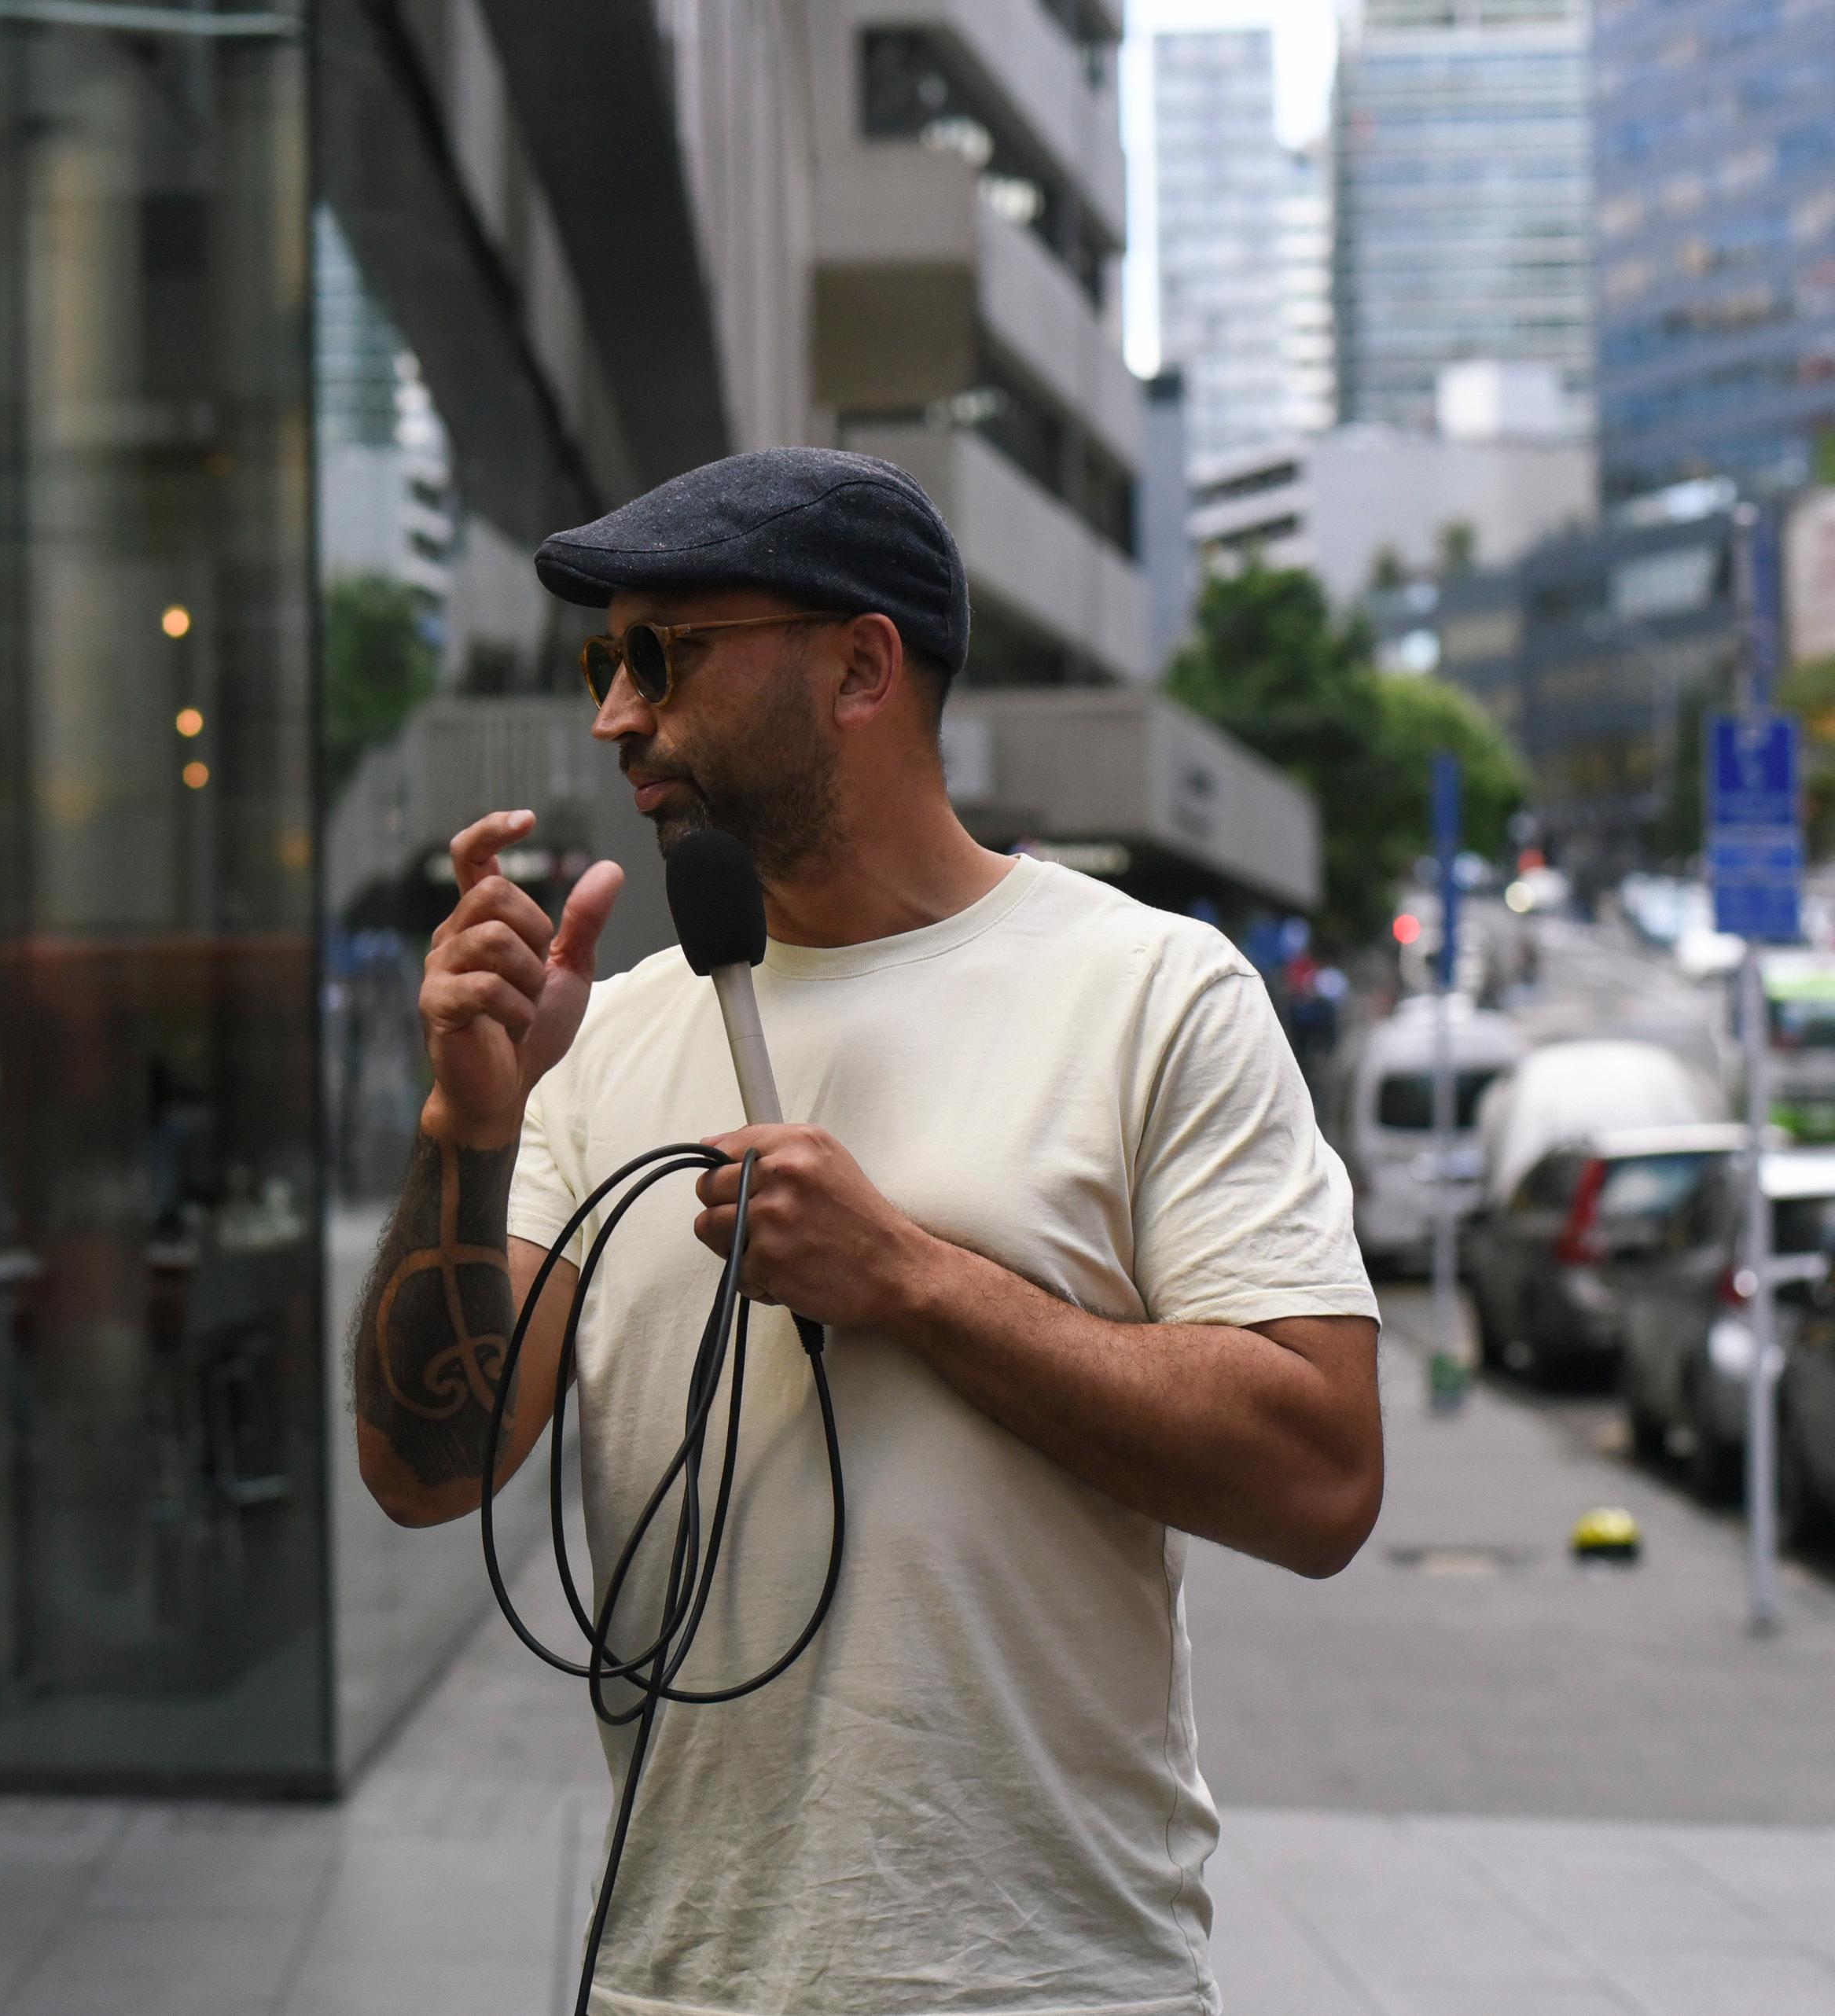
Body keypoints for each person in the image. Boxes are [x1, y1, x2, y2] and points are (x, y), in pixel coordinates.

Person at [348, 447, 1383, 2016]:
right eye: (601, 660)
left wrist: (910, 1280)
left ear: (861, 666)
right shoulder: (611, 1038)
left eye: (663, 654)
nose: (614, 716)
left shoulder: (1153, 994)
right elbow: (429, 1472)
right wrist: (468, 1126)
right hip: (675, 1976)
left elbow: (1321, 1473)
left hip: (1043, 1982)